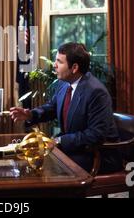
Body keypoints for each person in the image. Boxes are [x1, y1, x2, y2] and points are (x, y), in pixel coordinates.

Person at [10, 42, 122, 173]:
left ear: (74, 68)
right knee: (31, 159)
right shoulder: (64, 84)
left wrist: (59, 141)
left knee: (46, 165)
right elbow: (51, 108)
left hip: (99, 155)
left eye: (59, 61)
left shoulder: (96, 92)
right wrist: (30, 114)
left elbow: (95, 135)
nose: (54, 65)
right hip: (75, 149)